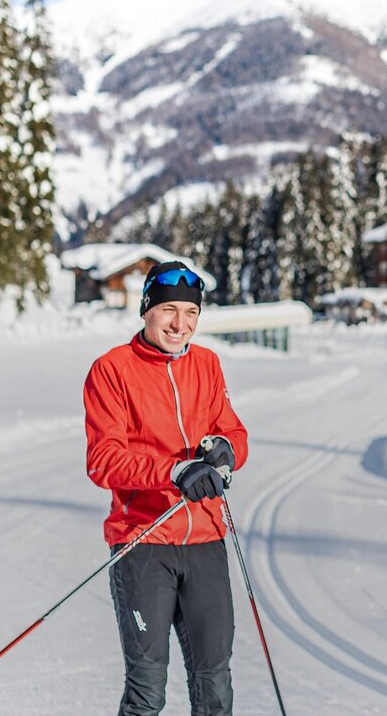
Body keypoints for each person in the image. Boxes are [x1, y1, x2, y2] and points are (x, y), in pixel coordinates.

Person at [83, 261, 248, 716]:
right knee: (147, 691)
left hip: (206, 542)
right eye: (169, 310)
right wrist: (174, 472)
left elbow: (234, 433)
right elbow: (103, 460)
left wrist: (224, 451)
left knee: (215, 687)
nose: (181, 324)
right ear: (146, 309)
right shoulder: (112, 370)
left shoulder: (208, 365)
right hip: (142, 543)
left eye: (191, 312)